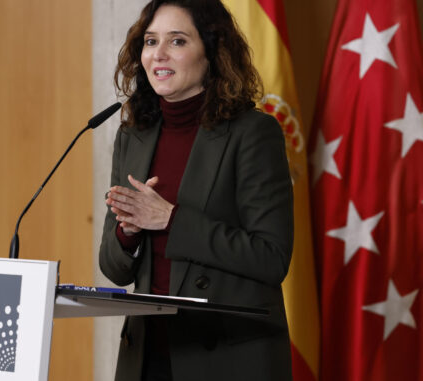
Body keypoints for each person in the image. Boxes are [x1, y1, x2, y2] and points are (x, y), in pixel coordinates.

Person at [98, 0, 294, 380]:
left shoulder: (253, 134)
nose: (159, 54)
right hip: (147, 355)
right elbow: (113, 268)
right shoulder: (133, 135)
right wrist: (128, 233)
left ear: (212, 53)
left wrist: (170, 219)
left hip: (225, 357)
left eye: (177, 41)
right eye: (151, 41)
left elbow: (271, 258)